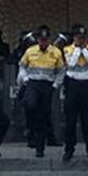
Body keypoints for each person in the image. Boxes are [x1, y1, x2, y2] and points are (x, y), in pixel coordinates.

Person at [17, 25, 63, 158]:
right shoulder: (30, 51)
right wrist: (24, 78)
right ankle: (31, 131)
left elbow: (61, 70)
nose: (43, 42)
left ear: (48, 39)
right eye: (41, 39)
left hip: (47, 86)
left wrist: (55, 85)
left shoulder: (55, 52)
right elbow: (22, 66)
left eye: (45, 39)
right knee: (30, 105)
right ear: (37, 39)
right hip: (33, 83)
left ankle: (40, 147)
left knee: (43, 116)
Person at [62, 24, 88, 162]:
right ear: (74, 37)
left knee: (87, 120)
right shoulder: (68, 49)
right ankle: (69, 150)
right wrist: (77, 49)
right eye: (79, 37)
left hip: (87, 84)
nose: (82, 40)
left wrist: (84, 50)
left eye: (83, 37)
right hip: (73, 85)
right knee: (70, 120)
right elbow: (71, 64)